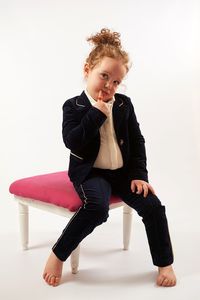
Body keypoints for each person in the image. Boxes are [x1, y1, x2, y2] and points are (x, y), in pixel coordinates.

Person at [43, 28, 177, 287]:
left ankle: (165, 263)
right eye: (104, 76)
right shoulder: (73, 106)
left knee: (153, 206)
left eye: (116, 81)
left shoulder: (124, 104)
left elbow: (137, 141)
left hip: (123, 173)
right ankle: (58, 254)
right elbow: (73, 141)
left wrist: (139, 175)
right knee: (97, 208)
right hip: (91, 172)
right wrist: (97, 113)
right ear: (87, 69)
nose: (109, 85)